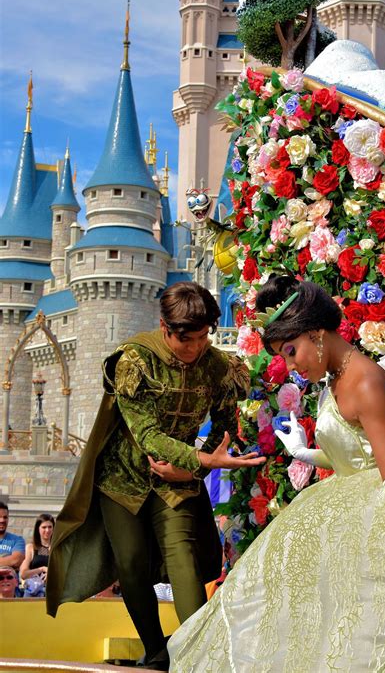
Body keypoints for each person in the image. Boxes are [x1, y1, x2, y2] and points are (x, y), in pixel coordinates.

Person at [168, 274, 385, 672]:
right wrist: (305, 452)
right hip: (361, 500)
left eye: (291, 351)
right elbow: (355, 456)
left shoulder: (364, 381)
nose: (291, 365)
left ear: (316, 334)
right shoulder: (337, 379)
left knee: (363, 625)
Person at [46, 281, 265, 671]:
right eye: (187, 340)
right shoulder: (134, 361)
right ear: (165, 329)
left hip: (177, 479)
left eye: (203, 338)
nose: (196, 348)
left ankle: (203, 653)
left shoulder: (216, 366)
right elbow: (146, 434)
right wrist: (205, 461)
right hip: (122, 479)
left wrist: (198, 462)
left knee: (184, 559)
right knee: (130, 562)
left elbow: (224, 426)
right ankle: (156, 650)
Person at [20, 513, 55, 598]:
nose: (47, 530)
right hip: (33, 592)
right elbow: (24, 574)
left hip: (52, 591)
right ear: (38, 529)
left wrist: (52, 573)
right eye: (44, 527)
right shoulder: (31, 548)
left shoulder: (57, 548)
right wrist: (42, 569)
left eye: (50, 527)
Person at [0, 501, 25, 571]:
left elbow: (16, 560)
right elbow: (12, 561)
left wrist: (12, 561)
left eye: (5, 517)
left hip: (8, 580)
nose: (2, 520)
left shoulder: (17, 540)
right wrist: (7, 559)